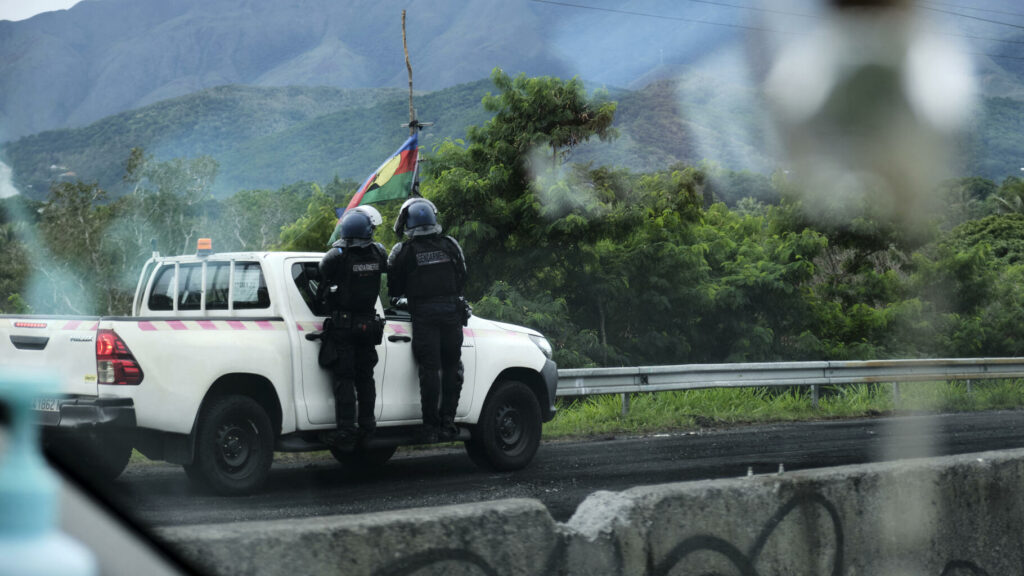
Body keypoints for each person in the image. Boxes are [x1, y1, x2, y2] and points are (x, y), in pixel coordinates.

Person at [387, 197, 470, 443]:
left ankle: (431, 427)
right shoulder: (450, 244)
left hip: (423, 315)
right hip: (451, 313)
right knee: (452, 367)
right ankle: (448, 424)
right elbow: (462, 277)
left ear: (407, 222)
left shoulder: (403, 251)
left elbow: (394, 289)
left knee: (430, 370)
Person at [316, 206, 387, 451]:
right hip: (368, 324)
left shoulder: (335, 256)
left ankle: (346, 430)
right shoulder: (378, 253)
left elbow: (321, 281)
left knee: (344, 379)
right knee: (366, 378)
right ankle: (368, 428)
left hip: (344, 326)